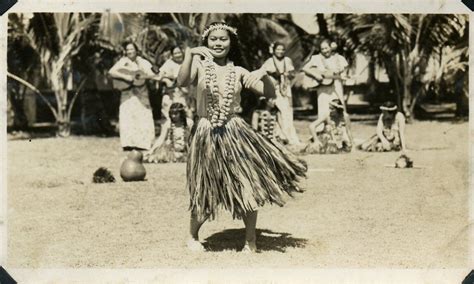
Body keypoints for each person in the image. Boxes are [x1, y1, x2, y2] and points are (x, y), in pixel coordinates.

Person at [177, 22, 307, 253]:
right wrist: (189, 54)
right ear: (206, 41)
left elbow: (269, 93)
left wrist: (264, 74)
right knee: (205, 187)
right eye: (213, 39)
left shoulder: (238, 71)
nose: (218, 43)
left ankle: (250, 241)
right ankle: (192, 236)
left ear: (231, 43)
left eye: (223, 39)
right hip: (206, 131)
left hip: (234, 131)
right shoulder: (199, 65)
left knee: (247, 184)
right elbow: (182, 81)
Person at [108, 41, 158, 151]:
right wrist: (126, 78)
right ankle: (128, 143)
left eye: (132, 49)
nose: (130, 51)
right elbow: (111, 72)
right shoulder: (123, 61)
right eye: (128, 49)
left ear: (136, 50)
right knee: (128, 117)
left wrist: (151, 75)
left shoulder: (142, 62)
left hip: (141, 94)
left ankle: (144, 143)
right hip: (127, 94)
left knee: (143, 115)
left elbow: (153, 73)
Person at [261, 42, 300, 145]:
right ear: (274, 50)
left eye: (282, 49)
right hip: (274, 89)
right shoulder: (269, 61)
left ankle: (288, 137)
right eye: (278, 49)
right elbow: (263, 74)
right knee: (278, 112)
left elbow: (293, 73)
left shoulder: (287, 60)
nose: (280, 51)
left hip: (285, 89)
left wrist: (287, 75)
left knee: (287, 113)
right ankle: (279, 136)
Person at [302, 39, 349, 118]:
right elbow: (305, 68)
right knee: (323, 109)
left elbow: (344, 71)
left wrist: (343, 75)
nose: (324, 51)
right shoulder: (316, 58)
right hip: (322, 88)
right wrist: (315, 75)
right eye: (322, 49)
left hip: (336, 87)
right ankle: (323, 128)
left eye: (326, 48)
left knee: (339, 108)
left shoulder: (339, 58)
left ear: (331, 47)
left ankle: (339, 128)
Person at [158, 46, 193, 119]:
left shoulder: (187, 63)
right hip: (171, 94)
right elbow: (159, 75)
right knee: (169, 116)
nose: (178, 55)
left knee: (187, 116)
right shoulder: (169, 63)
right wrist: (166, 80)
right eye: (175, 53)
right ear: (172, 55)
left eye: (179, 52)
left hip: (184, 94)